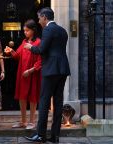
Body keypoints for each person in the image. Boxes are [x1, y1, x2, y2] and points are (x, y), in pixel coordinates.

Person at [24, 7, 70, 143]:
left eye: (39, 18)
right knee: (58, 102)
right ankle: (55, 136)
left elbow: (42, 49)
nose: (38, 21)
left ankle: (41, 135)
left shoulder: (48, 30)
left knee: (44, 102)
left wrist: (30, 47)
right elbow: (56, 49)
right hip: (62, 69)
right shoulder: (62, 30)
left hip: (50, 70)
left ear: (44, 17)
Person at [5, 19, 41, 130]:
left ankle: (32, 121)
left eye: (27, 30)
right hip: (22, 73)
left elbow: (40, 61)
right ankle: (23, 121)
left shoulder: (38, 42)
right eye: (24, 30)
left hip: (33, 73)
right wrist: (10, 51)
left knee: (33, 97)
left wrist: (31, 70)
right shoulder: (24, 42)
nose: (25, 32)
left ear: (33, 30)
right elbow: (17, 56)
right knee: (22, 96)